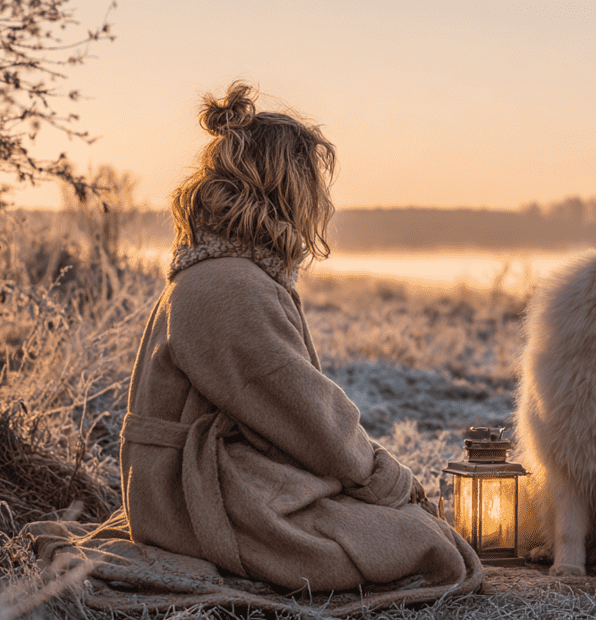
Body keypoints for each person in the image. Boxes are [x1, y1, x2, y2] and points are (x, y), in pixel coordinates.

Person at [115, 82, 480, 592]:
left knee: (406, 531)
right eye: (316, 186)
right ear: (287, 190)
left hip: (197, 487)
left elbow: (296, 414)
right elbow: (308, 416)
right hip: (194, 503)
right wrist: (386, 480)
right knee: (424, 543)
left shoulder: (232, 273)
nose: (325, 203)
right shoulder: (231, 287)